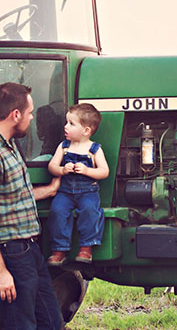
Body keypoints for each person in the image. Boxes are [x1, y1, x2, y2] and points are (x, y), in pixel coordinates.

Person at [0, 82, 63, 330]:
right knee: (20, 325)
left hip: (28, 250)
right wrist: (0, 271)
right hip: (10, 254)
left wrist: (49, 190)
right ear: (15, 115)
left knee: (51, 322)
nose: (31, 119)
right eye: (29, 113)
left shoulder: (7, 146)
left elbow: (13, 196)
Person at [46, 103, 109, 265]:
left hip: (88, 192)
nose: (65, 126)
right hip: (65, 192)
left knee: (90, 211)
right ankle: (59, 250)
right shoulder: (64, 147)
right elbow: (52, 166)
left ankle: (86, 248)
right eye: (67, 122)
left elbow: (104, 171)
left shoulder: (94, 149)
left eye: (71, 124)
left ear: (86, 131)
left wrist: (88, 171)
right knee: (57, 211)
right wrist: (62, 170)